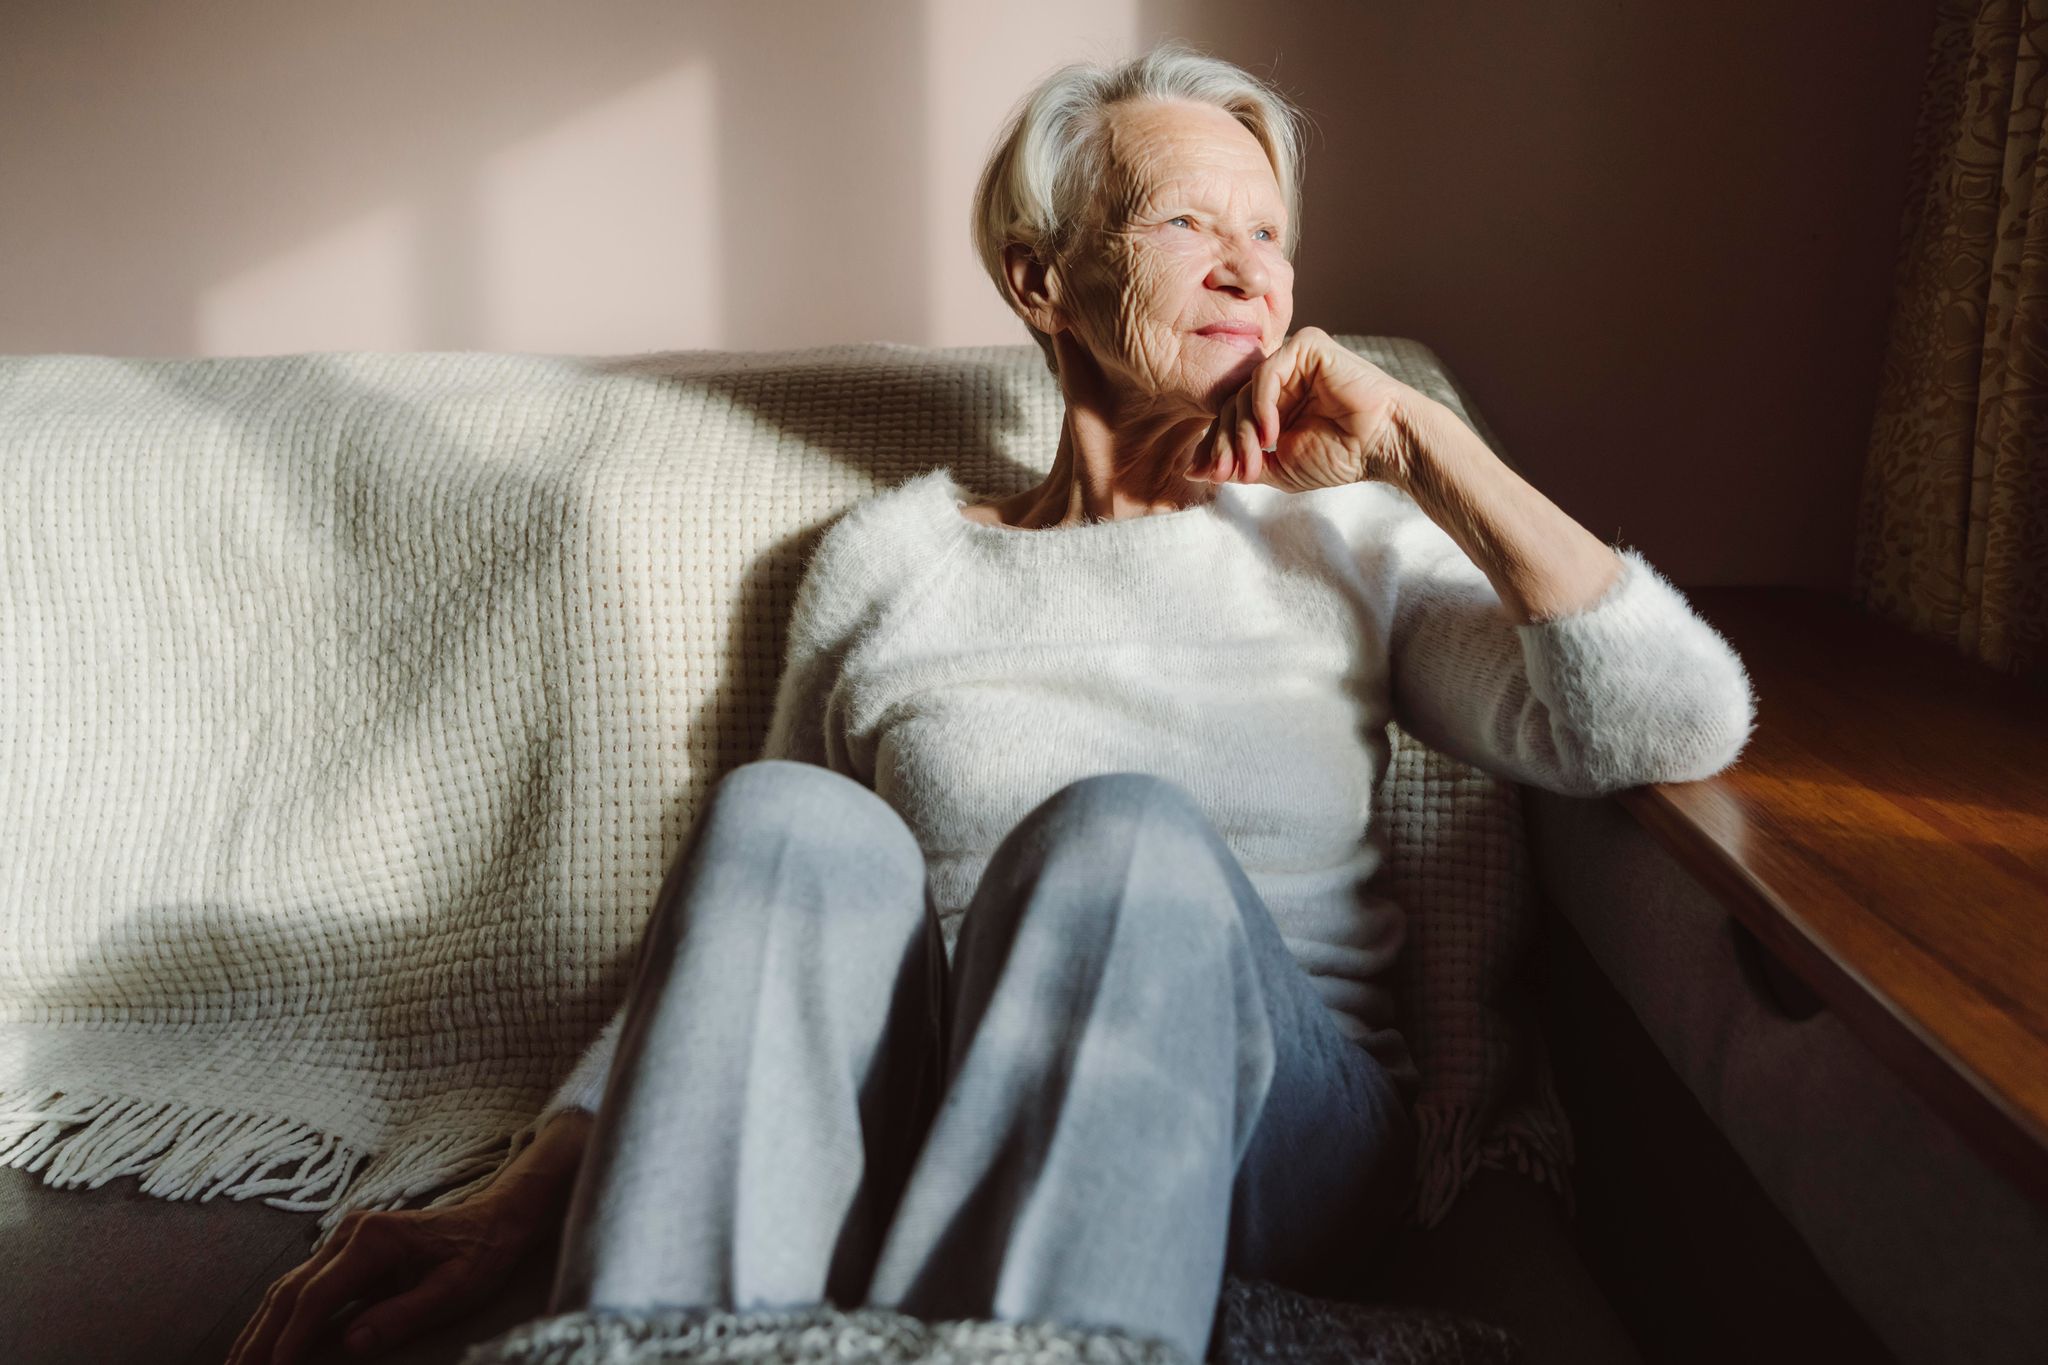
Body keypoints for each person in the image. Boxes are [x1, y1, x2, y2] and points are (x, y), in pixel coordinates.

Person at [226, 39, 1756, 1365]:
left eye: (1271, 234)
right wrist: (520, 1195)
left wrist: (1427, 446)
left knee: (1115, 839)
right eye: (1184, 222)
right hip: (934, 1122)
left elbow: (1665, 724)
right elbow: (748, 955)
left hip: (1269, 1139)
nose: (1250, 269)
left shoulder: (1334, 536)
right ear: (1043, 276)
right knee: (784, 818)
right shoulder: (890, 559)